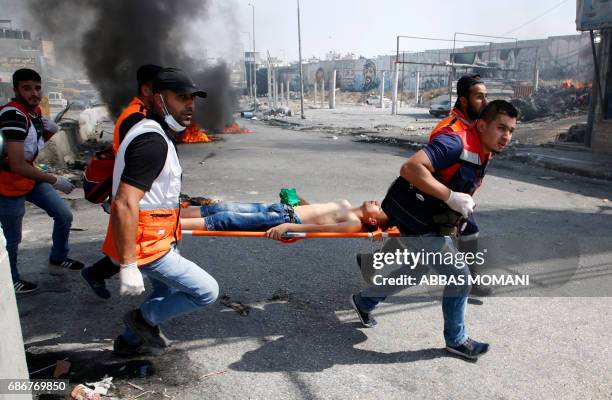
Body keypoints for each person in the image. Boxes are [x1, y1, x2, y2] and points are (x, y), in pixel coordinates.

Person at [350, 100, 517, 360]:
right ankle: (457, 340)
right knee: (460, 276)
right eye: (501, 128)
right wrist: (450, 196)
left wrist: (456, 211)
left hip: (427, 220)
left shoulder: (482, 149)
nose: (506, 136)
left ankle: (365, 301)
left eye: (511, 131)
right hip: (417, 219)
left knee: (417, 269)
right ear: (482, 125)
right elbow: (410, 168)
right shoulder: (455, 142)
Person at [103, 67, 218, 356]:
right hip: (146, 246)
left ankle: (129, 341)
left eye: (192, 98)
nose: (189, 104)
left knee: (165, 291)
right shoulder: (151, 141)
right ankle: (142, 320)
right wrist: (128, 265)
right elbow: (125, 201)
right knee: (207, 291)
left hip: (158, 238)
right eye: (181, 97)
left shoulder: (153, 132)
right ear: (158, 99)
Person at [81, 64, 163, 299]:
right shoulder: (134, 118)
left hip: (133, 190)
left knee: (125, 246)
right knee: (132, 245)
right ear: (147, 90)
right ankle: (155, 307)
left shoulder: (142, 114)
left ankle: (95, 274)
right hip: (130, 192)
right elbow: (129, 161)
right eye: (163, 89)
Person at [0, 68, 84, 294]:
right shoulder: (13, 115)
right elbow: (17, 163)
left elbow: (31, 149)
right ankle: (11, 281)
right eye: (27, 88)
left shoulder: (34, 113)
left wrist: (47, 132)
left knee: (64, 214)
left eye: (37, 88)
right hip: (7, 184)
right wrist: (54, 179)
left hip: (28, 177)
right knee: (11, 238)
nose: (34, 93)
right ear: (16, 90)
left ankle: (58, 258)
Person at [432, 74, 491, 296]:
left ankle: (470, 278)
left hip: (459, 197)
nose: (485, 102)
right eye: (479, 97)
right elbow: (423, 169)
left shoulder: (475, 126)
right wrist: (448, 198)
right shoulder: (450, 130)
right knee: (418, 250)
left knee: (469, 231)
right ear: (464, 100)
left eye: (486, 97)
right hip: (440, 199)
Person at [179, 199, 390, 240]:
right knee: (222, 207)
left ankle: (169, 224)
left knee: (225, 218)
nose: (376, 202)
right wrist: (300, 199)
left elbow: (321, 229)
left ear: (372, 221)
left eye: (379, 208)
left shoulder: (353, 223)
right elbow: (317, 211)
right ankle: (171, 214)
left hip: (284, 218)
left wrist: (289, 227)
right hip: (283, 208)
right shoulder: (346, 204)